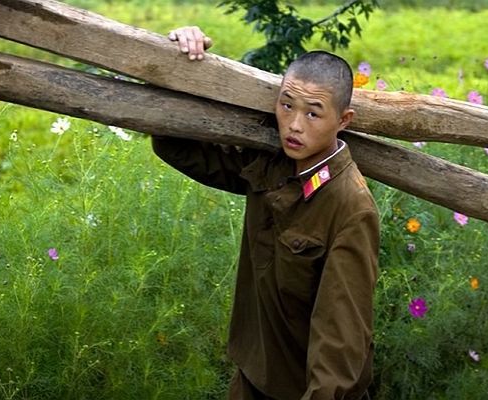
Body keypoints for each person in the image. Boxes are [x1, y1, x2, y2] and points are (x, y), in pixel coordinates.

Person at [152, 26, 380, 400]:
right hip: (254, 378)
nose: (294, 124)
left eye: (313, 113)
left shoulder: (350, 206)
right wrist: (180, 61)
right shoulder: (271, 163)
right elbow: (178, 147)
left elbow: (342, 337)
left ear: (343, 121)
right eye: (287, 104)